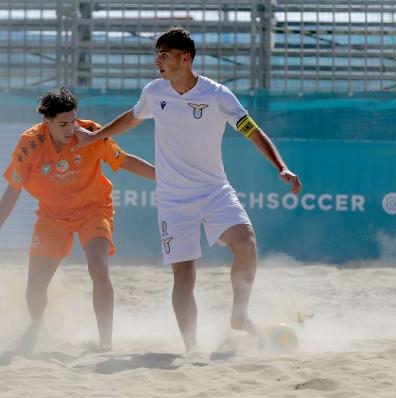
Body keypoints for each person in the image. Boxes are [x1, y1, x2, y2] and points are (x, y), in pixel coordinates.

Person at [72, 27, 302, 352]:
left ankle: (239, 314)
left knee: (246, 244)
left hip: (214, 190)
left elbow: (252, 131)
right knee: (183, 274)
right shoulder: (154, 92)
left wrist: (281, 166)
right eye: (157, 55)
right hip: (173, 199)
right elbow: (133, 117)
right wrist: (96, 137)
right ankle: (192, 349)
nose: (158, 61)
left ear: (186, 58)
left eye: (164, 55)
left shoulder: (218, 94)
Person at [0, 87, 155, 354]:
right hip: (52, 215)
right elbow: (13, 190)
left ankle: (105, 341)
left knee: (98, 267)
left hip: (93, 209)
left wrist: (163, 177)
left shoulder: (91, 133)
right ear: (46, 121)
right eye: (63, 124)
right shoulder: (30, 143)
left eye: (72, 121)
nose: (70, 129)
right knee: (36, 285)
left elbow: (124, 160)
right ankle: (36, 326)